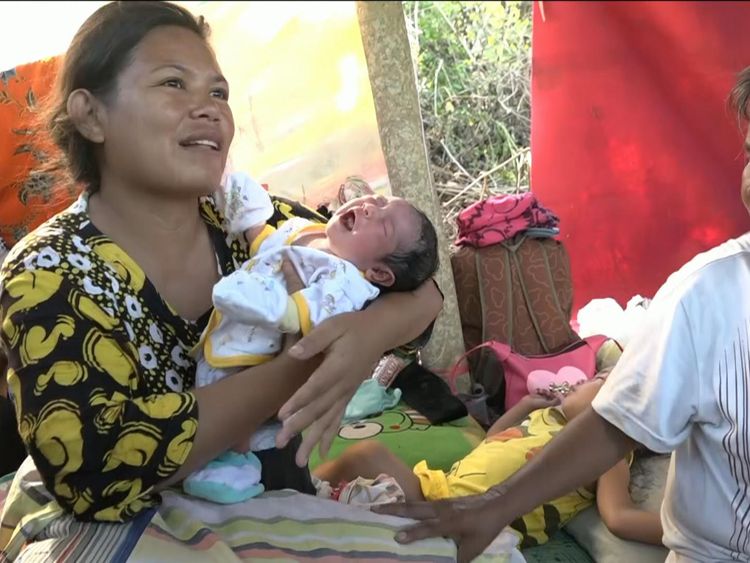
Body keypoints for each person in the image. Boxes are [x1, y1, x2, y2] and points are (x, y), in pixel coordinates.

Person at [0, 0, 443, 524]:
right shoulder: (47, 271)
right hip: (141, 526)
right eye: (173, 83)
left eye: (218, 92)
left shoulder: (248, 219)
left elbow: (423, 293)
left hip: (276, 497)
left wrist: (367, 334)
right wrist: (309, 360)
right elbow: (96, 470)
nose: (209, 107)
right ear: (92, 114)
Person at [376, 68, 750, 563]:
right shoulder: (706, 296)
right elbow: (614, 422)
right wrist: (492, 506)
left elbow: (616, 501)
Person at [184, 172, 439, 503]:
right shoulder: (309, 232)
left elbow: (431, 296)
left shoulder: (344, 274)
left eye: (384, 223)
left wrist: (369, 331)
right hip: (226, 375)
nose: (368, 208)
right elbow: (264, 239)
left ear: (379, 273)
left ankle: (235, 461)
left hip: (267, 429)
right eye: (377, 200)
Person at [316, 373, 662, 549]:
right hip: (441, 491)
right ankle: (304, 490)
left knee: (369, 455)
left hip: (478, 527)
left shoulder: (607, 451)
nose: (581, 381)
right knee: (365, 472)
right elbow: (491, 440)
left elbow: (620, 517)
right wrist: (525, 407)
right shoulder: (548, 420)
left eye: (598, 381)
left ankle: (296, 493)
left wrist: (702, 534)